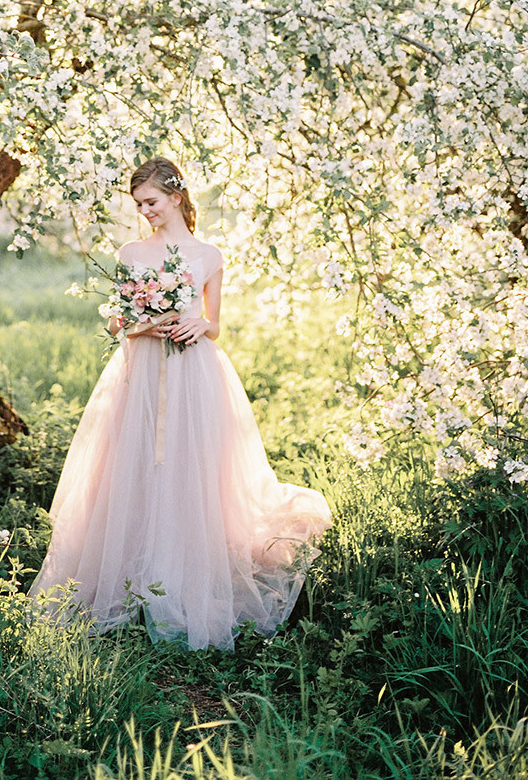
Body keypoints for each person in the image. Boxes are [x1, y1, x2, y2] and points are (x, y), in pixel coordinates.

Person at [28, 157, 332, 651]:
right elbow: (117, 323)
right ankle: (130, 569)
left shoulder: (208, 255)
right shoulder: (131, 253)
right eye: (138, 205)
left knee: (191, 465)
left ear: (175, 197)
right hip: (141, 372)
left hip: (193, 372)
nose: (145, 211)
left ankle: (184, 568)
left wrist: (200, 324)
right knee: (133, 461)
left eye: (151, 201)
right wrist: (147, 321)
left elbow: (215, 323)